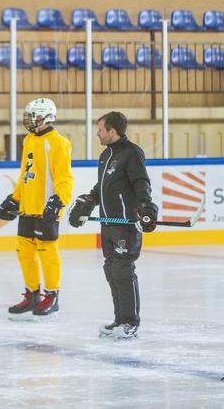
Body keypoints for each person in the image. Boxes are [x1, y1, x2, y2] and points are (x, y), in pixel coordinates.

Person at [67, 111, 158, 339]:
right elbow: (103, 186)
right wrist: (89, 200)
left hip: (126, 224)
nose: (97, 133)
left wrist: (145, 207)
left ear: (112, 131)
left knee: (123, 271)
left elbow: (141, 183)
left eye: (100, 129)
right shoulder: (106, 155)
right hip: (108, 224)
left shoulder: (132, 153)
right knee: (111, 270)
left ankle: (130, 322)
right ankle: (119, 319)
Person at [0, 98, 74, 320]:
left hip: (46, 209)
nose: (29, 120)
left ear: (46, 118)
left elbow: (64, 177)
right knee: (25, 252)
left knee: (47, 252)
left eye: (34, 117)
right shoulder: (30, 141)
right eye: (29, 116)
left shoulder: (58, 142)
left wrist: (59, 200)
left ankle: (52, 295)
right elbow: (26, 175)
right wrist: (14, 199)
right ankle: (32, 294)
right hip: (28, 208)